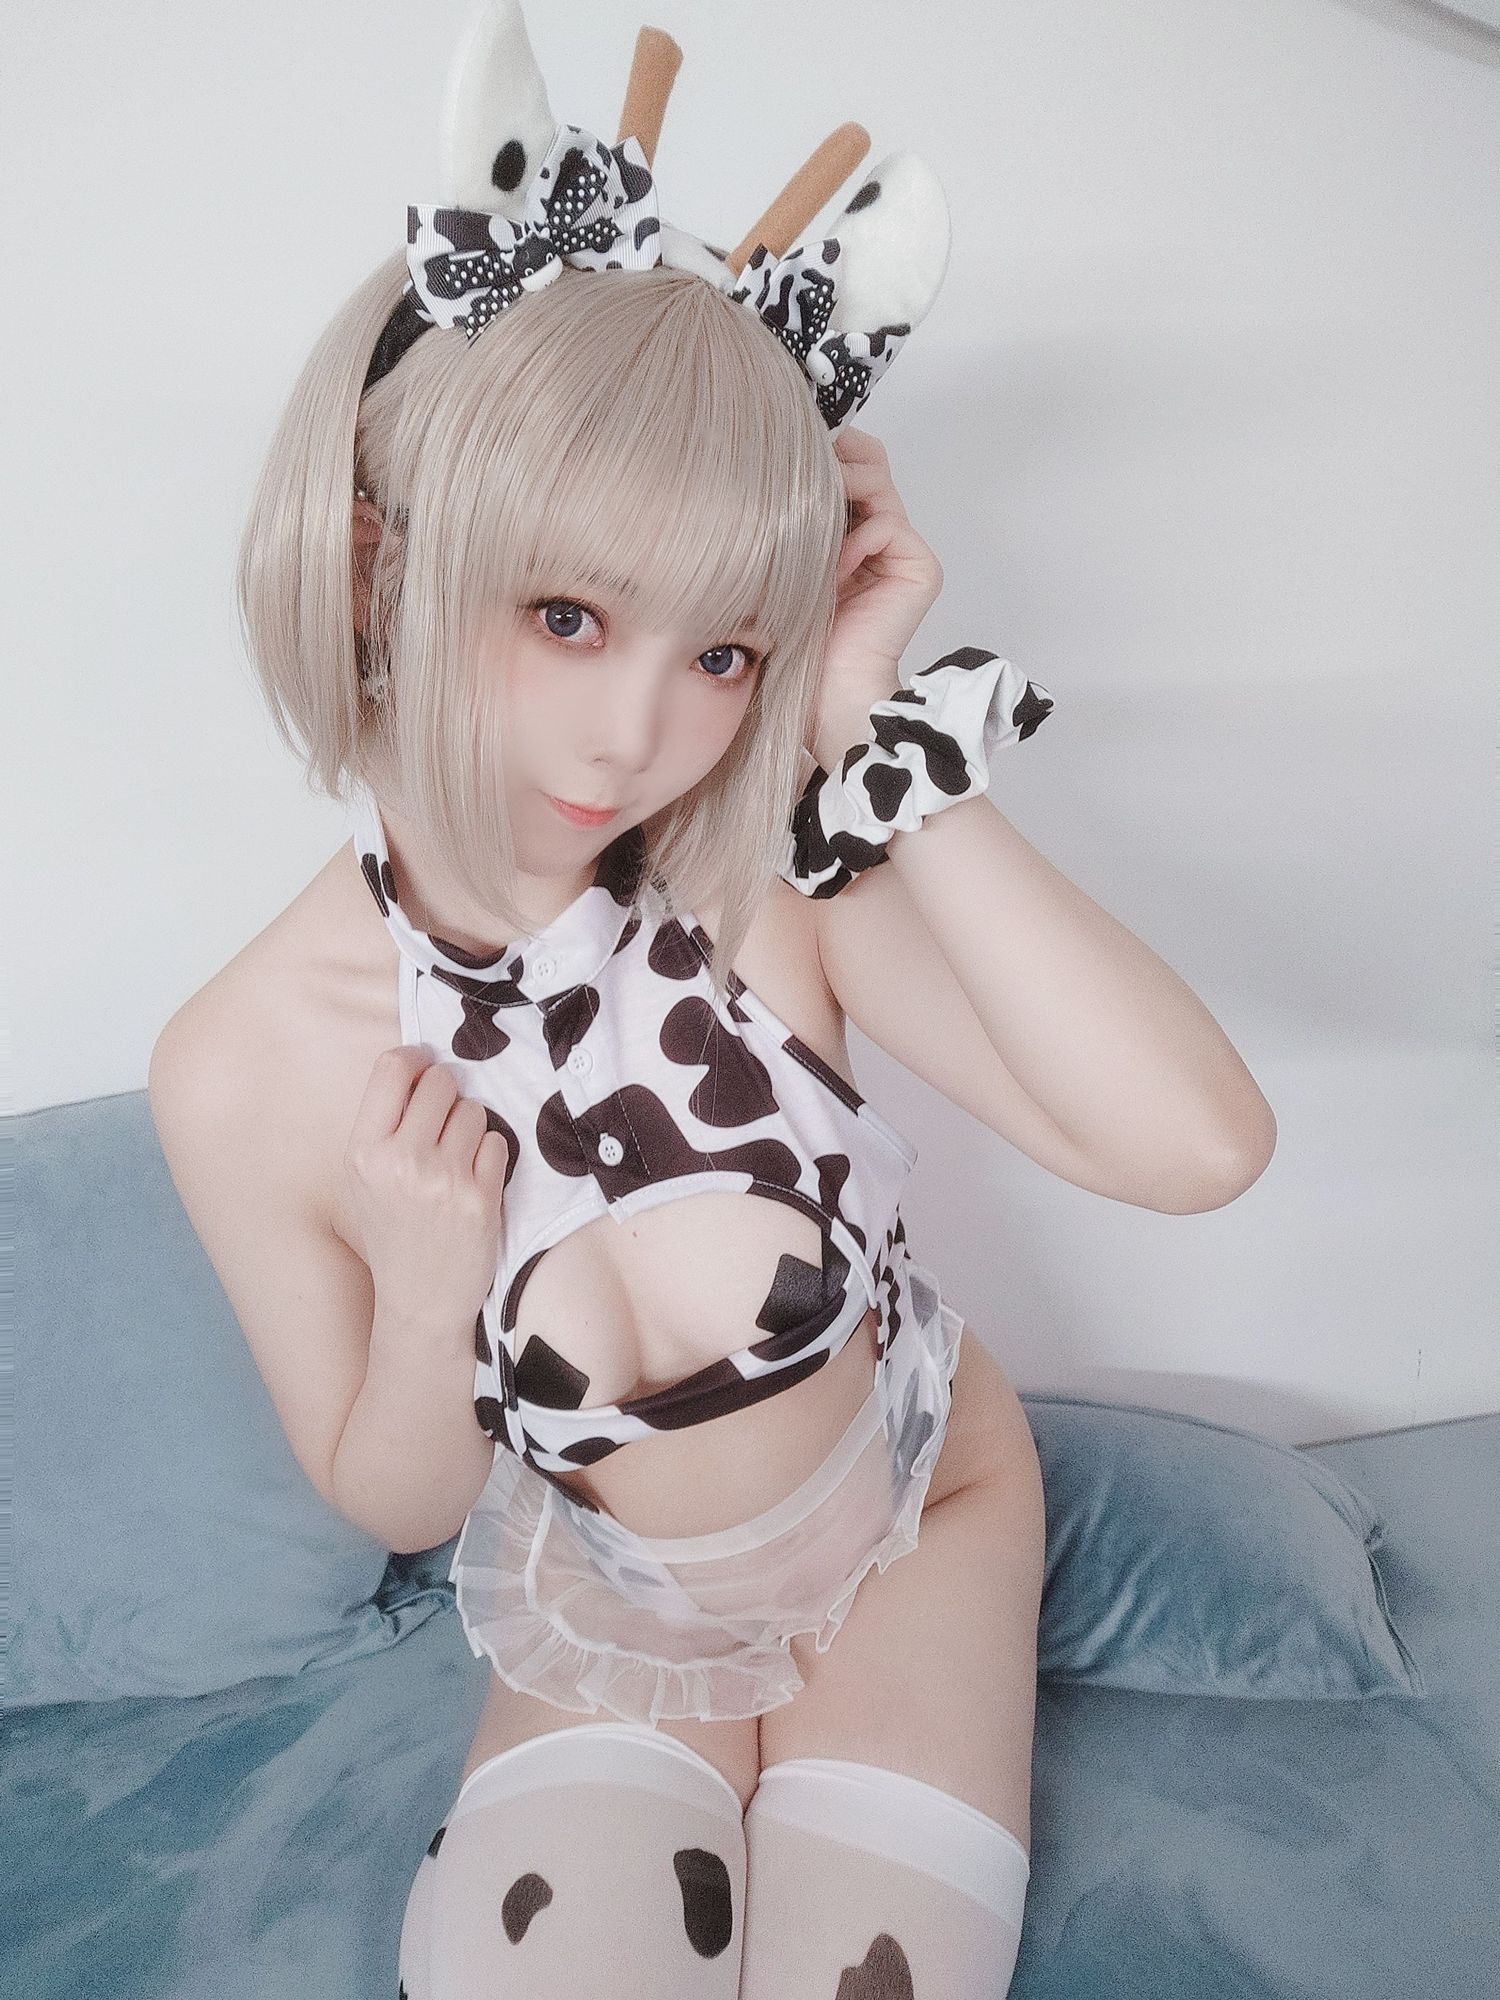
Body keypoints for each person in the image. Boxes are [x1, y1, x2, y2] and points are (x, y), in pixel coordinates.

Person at [148, 5, 1273, 1994]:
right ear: (377, 570)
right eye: (566, 614)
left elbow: (1195, 1147)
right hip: (612, 1592)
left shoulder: (765, 885)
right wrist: (429, 1287)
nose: (640, 733)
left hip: (922, 1512)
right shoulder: (241, 1063)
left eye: (723, 649)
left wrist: (860, 718)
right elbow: (394, 1496)